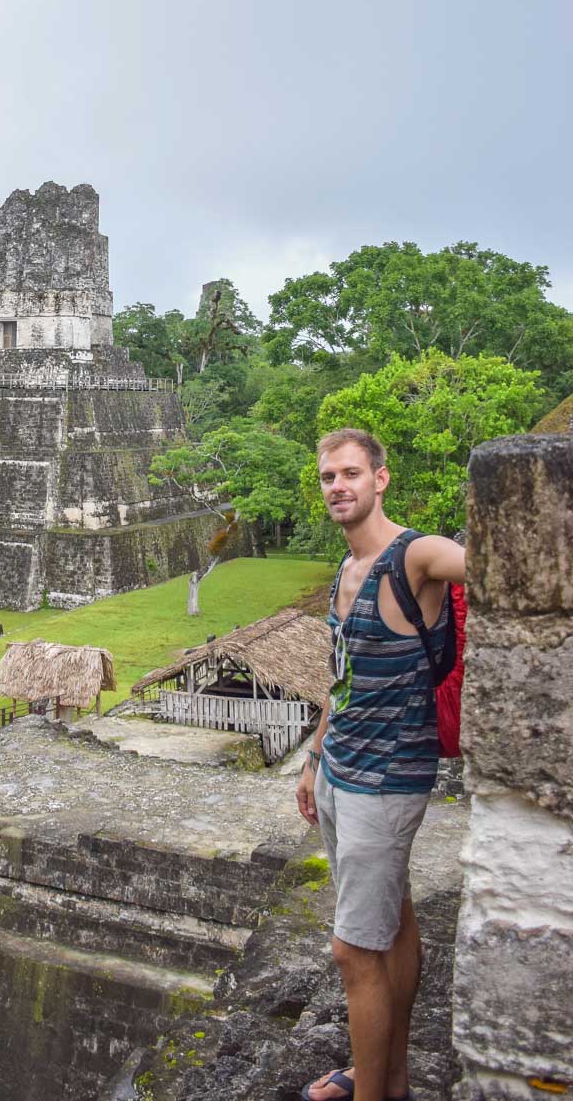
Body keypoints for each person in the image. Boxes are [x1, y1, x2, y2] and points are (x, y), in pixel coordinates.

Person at [296, 428, 465, 1101]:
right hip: (341, 769)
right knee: (390, 922)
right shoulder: (343, 570)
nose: (338, 486)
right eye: (328, 477)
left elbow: (489, 560)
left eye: (350, 474)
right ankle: (383, 1078)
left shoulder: (414, 556)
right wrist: (313, 759)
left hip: (388, 780)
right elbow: (343, 680)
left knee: (352, 951)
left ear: (380, 479)